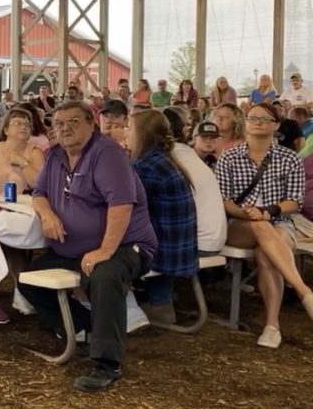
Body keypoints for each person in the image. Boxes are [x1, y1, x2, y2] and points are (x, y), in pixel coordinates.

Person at [20, 101, 158, 393]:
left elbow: (121, 205)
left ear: (90, 123)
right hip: (73, 250)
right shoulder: (55, 155)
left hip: (125, 245)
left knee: (104, 275)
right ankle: (87, 329)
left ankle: (108, 363)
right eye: (59, 123)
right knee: (28, 280)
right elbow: (40, 192)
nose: (65, 128)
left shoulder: (107, 153)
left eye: (73, 121)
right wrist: (47, 213)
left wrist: (105, 251)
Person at [215, 102, 313, 348]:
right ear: (245, 123)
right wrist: (248, 214)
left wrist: (269, 211)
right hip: (238, 223)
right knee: (260, 228)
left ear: (276, 126)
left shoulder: (289, 158)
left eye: (264, 119)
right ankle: (305, 293)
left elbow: (294, 202)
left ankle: (272, 326)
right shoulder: (228, 156)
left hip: (279, 220)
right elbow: (224, 200)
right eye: (252, 117)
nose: (257, 121)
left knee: (265, 253)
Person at [125, 110, 199, 324]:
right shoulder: (164, 159)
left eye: (130, 129)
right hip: (180, 247)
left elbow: (127, 208)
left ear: (142, 135)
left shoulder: (145, 166)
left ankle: (134, 307)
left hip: (165, 251)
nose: (126, 133)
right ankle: (160, 301)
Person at [163, 110, 228, 253]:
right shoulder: (187, 155)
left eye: (213, 138)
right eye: (205, 137)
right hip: (211, 240)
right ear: (193, 138)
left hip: (199, 243)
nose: (209, 141)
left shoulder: (170, 158)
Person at [0, 108, 45, 194]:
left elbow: (39, 185)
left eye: (27, 125)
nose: (23, 127)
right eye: (17, 123)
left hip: (21, 202)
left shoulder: (35, 152)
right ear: (6, 130)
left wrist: (22, 161)